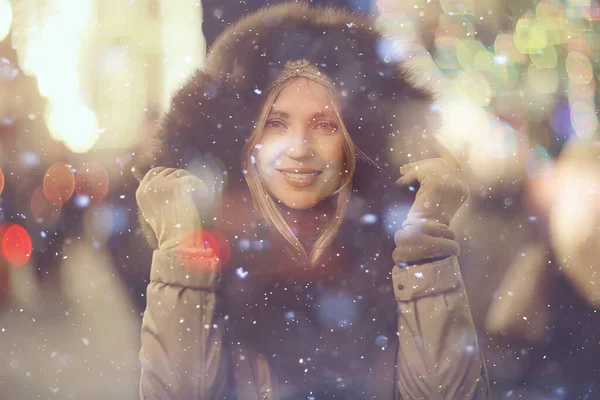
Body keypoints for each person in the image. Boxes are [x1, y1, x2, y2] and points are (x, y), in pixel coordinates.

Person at [133, 2, 489, 399]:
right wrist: (183, 254)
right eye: (276, 123)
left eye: (324, 125)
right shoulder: (215, 252)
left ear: (355, 141)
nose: (299, 148)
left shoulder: (397, 251)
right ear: (245, 139)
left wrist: (424, 246)